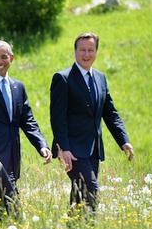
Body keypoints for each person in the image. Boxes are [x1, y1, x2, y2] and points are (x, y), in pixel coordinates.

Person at [50, 32, 134, 213]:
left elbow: (110, 113)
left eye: (90, 50)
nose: (86, 54)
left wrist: (124, 140)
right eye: (82, 50)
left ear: (96, 52)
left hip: (94, 149)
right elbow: (57, 118)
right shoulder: (62, 78)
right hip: (72, 150)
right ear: (75, 52)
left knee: (80, 193)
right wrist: (63, 148)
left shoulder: (100, 78)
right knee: (91, 190)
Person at [0, 40, 52, 222]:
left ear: (11, 58)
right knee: (9, 190)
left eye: (4, 57)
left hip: (13, 151)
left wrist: (42, 145)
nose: (0, 61)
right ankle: (19, 226)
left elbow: (27, 120)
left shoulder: (18, 87)